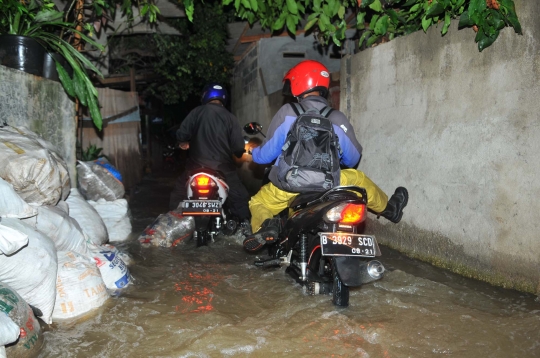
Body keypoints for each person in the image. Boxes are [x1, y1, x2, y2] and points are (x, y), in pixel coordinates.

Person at [243, 60, 408, 252]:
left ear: (298, 84)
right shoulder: (336, 117)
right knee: (359, 179)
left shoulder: (288, 113)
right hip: (330, 183)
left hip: (289, 185)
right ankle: (390, 210)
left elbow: (264, 157)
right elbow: (353, 160)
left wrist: (254, 152)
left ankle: (268, 226)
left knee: (258, 202)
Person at [169, 83, 251, 232]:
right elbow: (239, 148)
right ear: (223, 98)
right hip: (223, 169)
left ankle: (173, 225)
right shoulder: (230, 117)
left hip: (195, 167)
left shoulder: (196, 112)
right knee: (240, 198)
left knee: (178, 194)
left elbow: (182, 134)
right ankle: (245, 229)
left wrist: (183, 143)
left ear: (205, 96)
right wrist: (238, 152)